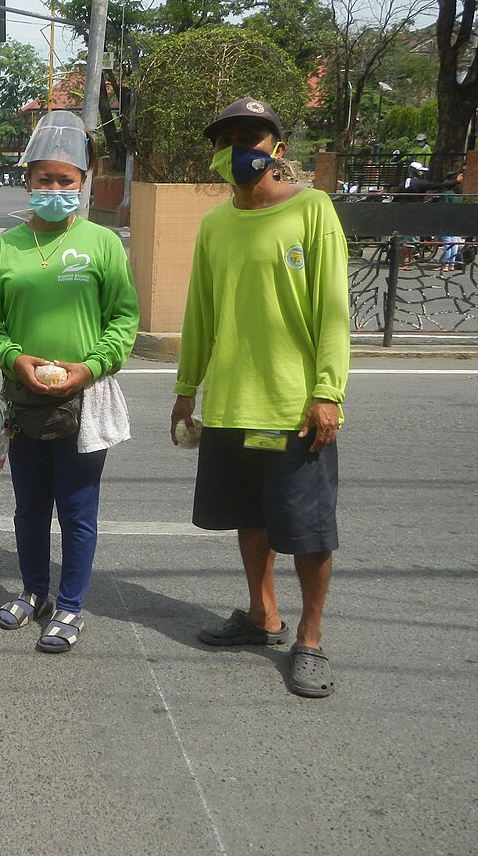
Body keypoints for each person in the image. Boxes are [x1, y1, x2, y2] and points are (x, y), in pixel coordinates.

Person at [170, 97, 350, 698]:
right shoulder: (216, 224)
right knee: (249, 518)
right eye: (228, 139)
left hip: (296, 407)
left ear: (277, 145)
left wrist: (327, 393)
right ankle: (261, 615)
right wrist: (185, 390)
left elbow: (332, 312)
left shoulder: (313, 210)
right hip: (230, 403)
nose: (240, 149)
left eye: (253, 135)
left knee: (307, 530)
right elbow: (200, 313)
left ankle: (311, 637)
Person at [0, 111, 140, 653]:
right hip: (23, 399)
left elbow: (124, 320)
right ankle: (33, 591)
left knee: (78, 511)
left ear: (83, 183)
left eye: (67, 180)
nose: (56, 189)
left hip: (86, 400)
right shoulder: (3, 249)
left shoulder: (102, 244)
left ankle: (70, 606)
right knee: (29, 507)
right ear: (28, 181)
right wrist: (15, 359)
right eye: (46, 179)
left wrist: (89, 368)